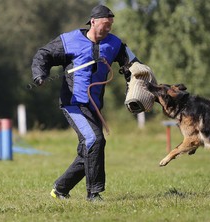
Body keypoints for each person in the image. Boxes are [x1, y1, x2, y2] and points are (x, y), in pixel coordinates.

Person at [31, 4, 141, 201]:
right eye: (105, 25)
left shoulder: (115, 44)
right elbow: (44, 54)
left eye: (110, 25)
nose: (108, 29)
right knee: (94, 141)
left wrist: (136, 84)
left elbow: (133, 64)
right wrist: (40, 74)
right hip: (73, 103)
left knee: (89, 150)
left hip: (94, 107)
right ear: (93, 22)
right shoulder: (70, 40)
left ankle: (60, 189)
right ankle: (94, 193)